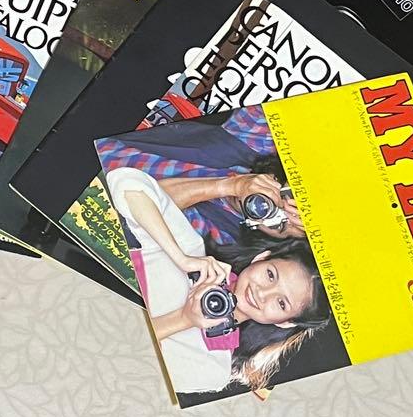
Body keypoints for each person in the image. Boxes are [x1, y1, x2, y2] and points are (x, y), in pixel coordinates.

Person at [105, 162, 330, 396]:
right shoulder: (193, 252)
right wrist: (181, 258)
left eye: (281, 303)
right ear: (261, 258)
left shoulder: (213, 369)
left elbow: (124, 365)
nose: (262, 293)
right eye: (270, 275)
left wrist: (185, 319)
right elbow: (127, 183)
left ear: (286, 322)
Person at [98, 106, 304, 246]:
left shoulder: (221, 238)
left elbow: (142, 204)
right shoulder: (258, 143)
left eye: (280, 223)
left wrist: (229, 186)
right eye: (283, 195)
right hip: (105, 131)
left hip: (96, 197)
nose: (267, 202)